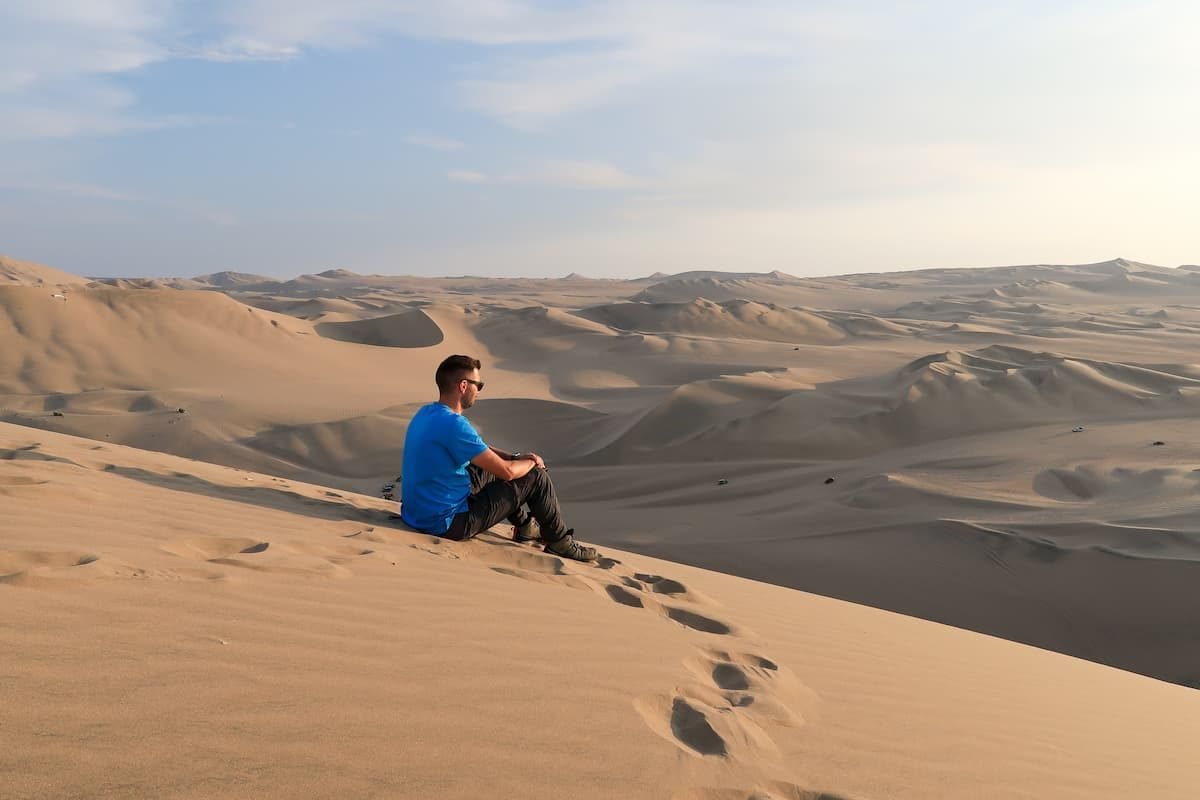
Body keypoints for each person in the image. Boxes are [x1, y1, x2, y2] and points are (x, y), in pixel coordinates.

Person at [399, 354, 598, 562]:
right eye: (479, 385)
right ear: (464, 386)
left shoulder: (427, 413)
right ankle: (559, 542)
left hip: (417, 514)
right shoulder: (454, 425)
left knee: (486, 467)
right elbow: (507, 472)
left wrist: (514, 456)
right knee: (536, 478)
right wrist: (532, 463)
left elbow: (480, 449)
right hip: (447, 523)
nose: (479, 391)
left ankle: (525, 527)